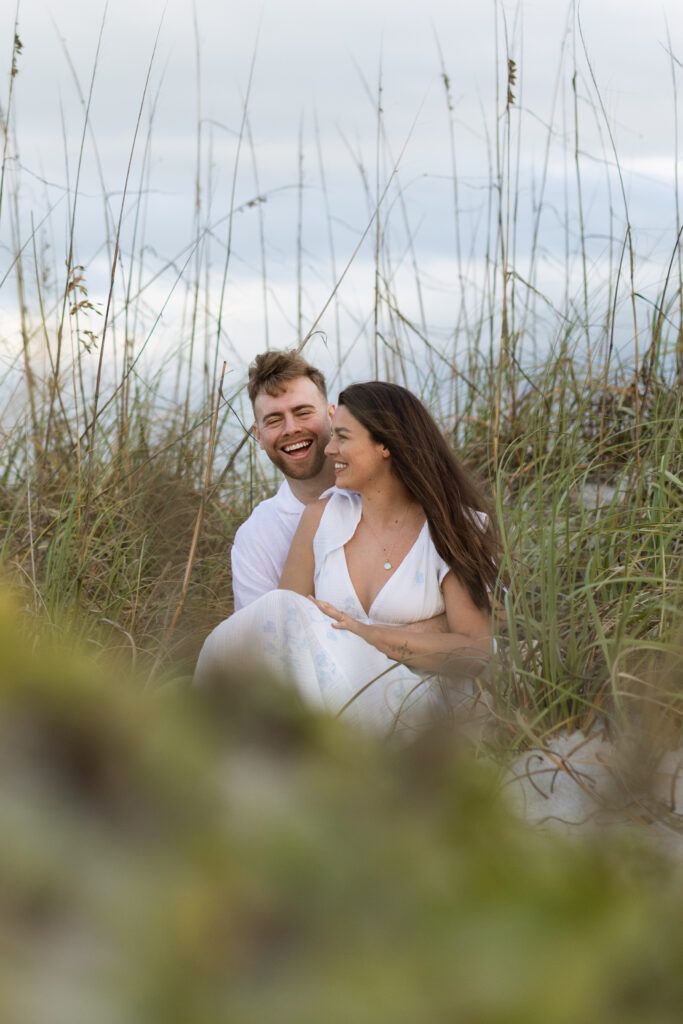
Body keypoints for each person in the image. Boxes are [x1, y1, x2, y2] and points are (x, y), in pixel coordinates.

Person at [197, 381, 500, 736]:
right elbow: (282, 626)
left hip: (423, 707)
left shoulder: (454, 527)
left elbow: (474, 650)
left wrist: (369, 635)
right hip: (330, 694)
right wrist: (421, 629)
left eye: (342, 436)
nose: (330, 449)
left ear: (385, 444)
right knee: (271, 613)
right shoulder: (321, 517)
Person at [231, 350, 336, 611]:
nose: (290, 429)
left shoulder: (383, 496)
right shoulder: (255, 538)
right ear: (258, 435)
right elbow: (262, 644)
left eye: (302, 412)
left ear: (332, 416)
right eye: (274, 420)